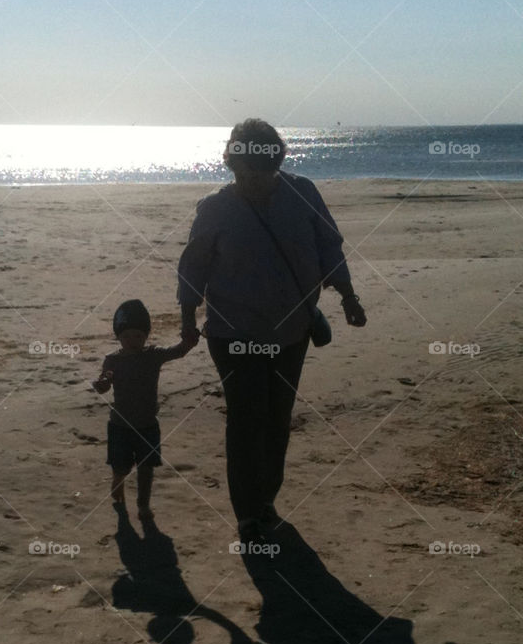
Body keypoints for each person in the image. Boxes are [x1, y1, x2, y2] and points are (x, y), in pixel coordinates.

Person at [177, 119, 366, 539]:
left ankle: (265, 500)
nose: (253, 182)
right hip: (234, 333)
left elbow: (329, 247)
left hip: (291, 332)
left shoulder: (303, 193)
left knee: (278, 419)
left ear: (275, 164)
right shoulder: (215, 208)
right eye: (245, 173)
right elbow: (193, 266)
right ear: (232, 165)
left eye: (261, 173)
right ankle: (248, 514)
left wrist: (348, 296)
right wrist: (188, 319)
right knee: (247, 418)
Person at [92, 299, 198, 523]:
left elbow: (178, 351)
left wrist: (189, 341)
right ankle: (118, 480)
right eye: (127, 336)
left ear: (146, 336)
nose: (133, 341)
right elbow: (105, 381)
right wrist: (102, 384)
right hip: (120, 425)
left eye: (138, 336)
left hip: (148, 425)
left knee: (147, 468)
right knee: (120, 465)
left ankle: (143, 504)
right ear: (118, 337)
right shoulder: (112, 360)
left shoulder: (153, 355)